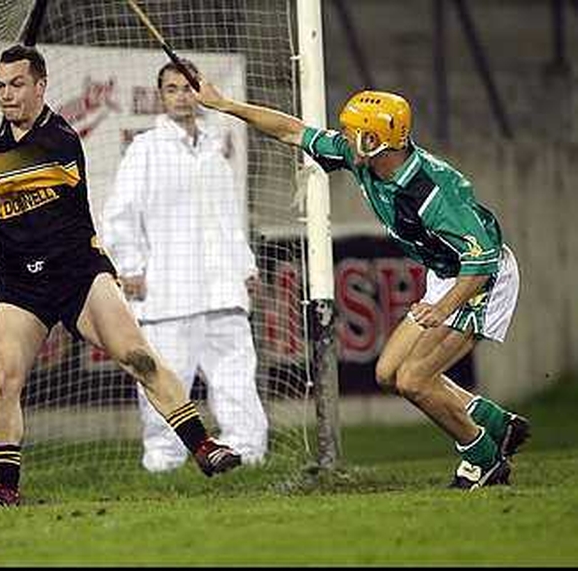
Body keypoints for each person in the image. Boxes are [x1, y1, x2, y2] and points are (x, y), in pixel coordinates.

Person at [0, 45, 243, 508]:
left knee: (137, 356)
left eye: (17, 84)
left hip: (78, 273)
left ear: (40, 86)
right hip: (20, 283)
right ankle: (4, 487)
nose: (6, 94)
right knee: (2, 379)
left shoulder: (58, 138)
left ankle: (203, 445)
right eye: (0, 86)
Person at [194, 79, 530, 490]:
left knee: (414, 380)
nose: (345, 137)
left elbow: (481, 261)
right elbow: (292, 131)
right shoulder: (363, 159)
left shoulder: (432, 191)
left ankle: (483, 458)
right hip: (447, 274)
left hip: (481, 280)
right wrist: (224, 104)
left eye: (354, 132)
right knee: (388, 373)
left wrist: (443, 308)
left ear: (375, 140)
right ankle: (497, 423)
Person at [100, 60, 269, 473]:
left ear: (199, 92)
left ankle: (246, 452)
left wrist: (245, 267)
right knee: (165, 379)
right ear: (161, 96)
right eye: (171, 89)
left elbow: (228, 218)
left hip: (222, 288)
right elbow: (119, 214)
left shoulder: (215, 148)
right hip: (168, 292)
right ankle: (164, 460)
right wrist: (130, 266)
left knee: (235, 377)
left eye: (187, 88)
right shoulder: (146, 149)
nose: (180, 96)